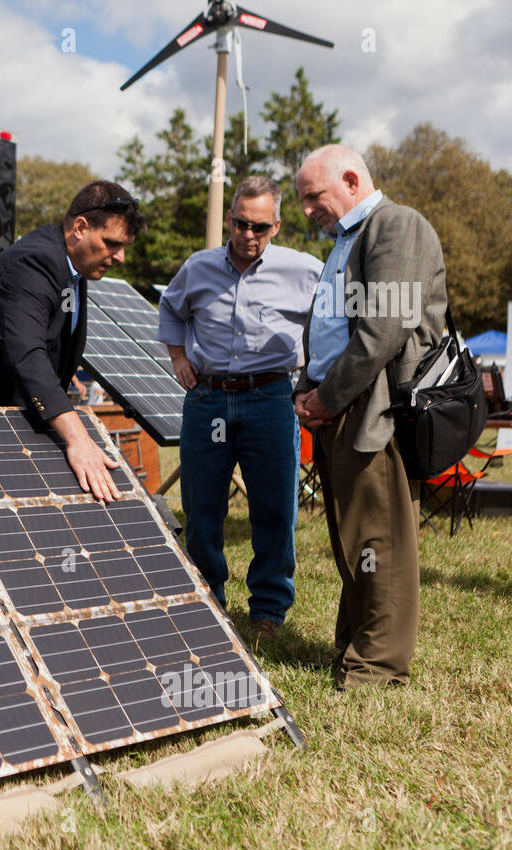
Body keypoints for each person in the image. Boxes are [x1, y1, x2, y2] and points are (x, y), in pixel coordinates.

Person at [293, 144, 448, 688]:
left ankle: (377, 670)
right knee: (355, 538)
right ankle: (356, 649)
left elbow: (386, 327)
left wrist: (327, 397)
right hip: (343, 405)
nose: (307, 210)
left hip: (373, 407)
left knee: (379, 542)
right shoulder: (348, 238)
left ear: (352, 180)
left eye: (313, 196)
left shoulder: (397, 224)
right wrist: (309, 389)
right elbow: (333, 331)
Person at [158, 176, 322, 641]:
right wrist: (178, 358)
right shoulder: (198, 267)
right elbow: (170, 309)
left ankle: (268, 610)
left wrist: (314, 377)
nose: (248, 235)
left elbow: (331, 323)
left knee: (274, 508)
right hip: (207, 400)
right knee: (202, 506)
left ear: (277, 225)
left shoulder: (305, 270)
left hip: (270, 398)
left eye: (260, 227)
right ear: (230, 218)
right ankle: (208, 598)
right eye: (240, 224)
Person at [0, 181, 145, 502]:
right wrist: (78, 438)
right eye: (111, 243)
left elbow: (52, 355)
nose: (120, 257)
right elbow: (27, 353)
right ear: (79, 228)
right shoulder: (36, 261)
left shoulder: (71, 267)